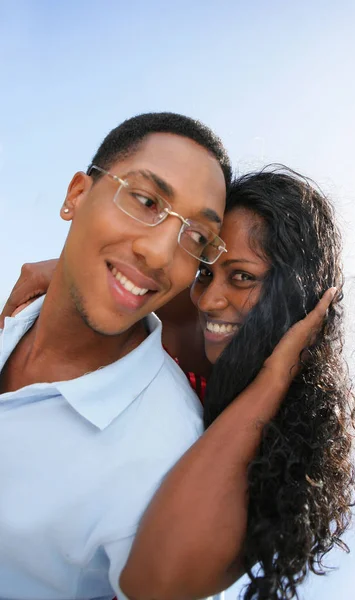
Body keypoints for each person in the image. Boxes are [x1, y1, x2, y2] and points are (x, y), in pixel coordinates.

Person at [1, 165, 355, 600]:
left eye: (243, 277)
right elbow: (115, 278)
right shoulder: (193, 317)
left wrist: (275, 377)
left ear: (297, 297)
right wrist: (60, 271)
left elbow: (154, 582)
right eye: (207, 272)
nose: (209, 299)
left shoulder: (281, 466)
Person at [0, 111, 231, 600]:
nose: (161, 254)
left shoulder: (167, 462)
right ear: (76, 196)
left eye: (197, 239)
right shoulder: (14, 313)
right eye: (146, 201)